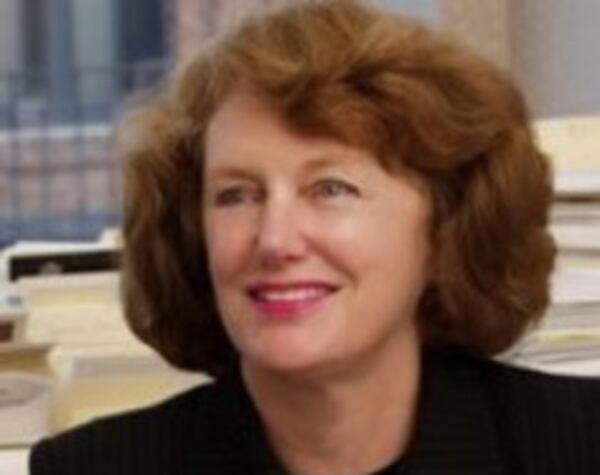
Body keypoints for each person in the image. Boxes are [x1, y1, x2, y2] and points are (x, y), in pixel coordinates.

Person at [30, 1, 600, 474]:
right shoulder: (93, 467)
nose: (275, 241)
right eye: (236, 195)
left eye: (331, 189)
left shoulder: (575, 446)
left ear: (446, 226)